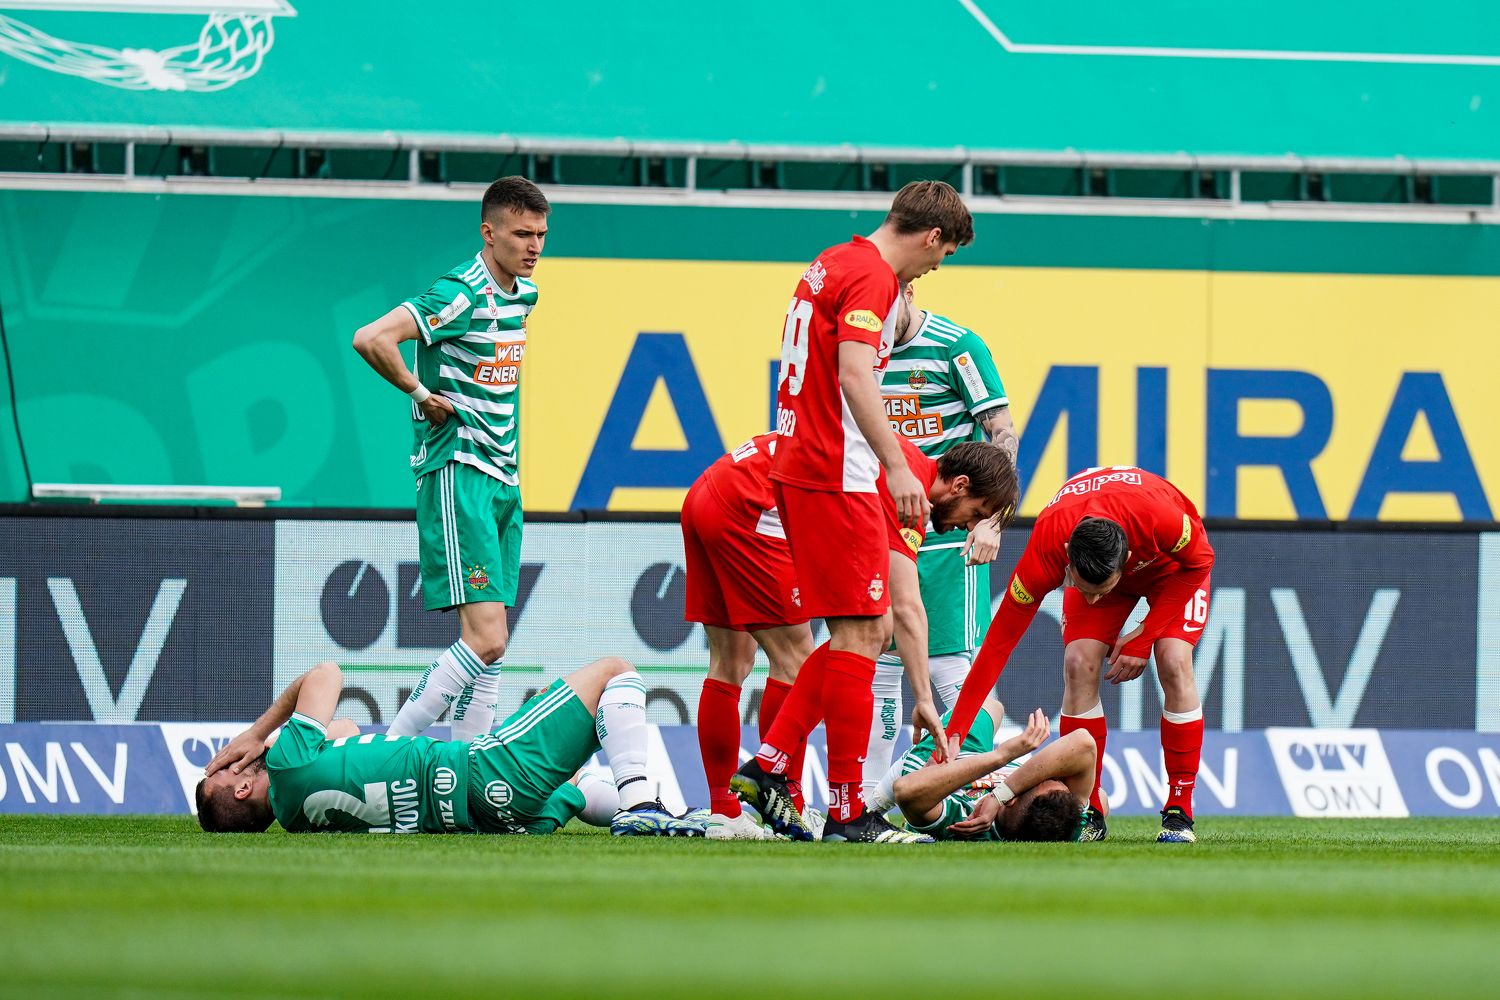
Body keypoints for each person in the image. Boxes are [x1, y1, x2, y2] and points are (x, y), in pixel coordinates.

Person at [732, 180, 976, 844]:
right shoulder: (871, 276)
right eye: (944, 255)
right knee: (864, 633)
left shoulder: (833, 260)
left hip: (806, 463)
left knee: (858, 634)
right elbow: (854, 374)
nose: (935, 268)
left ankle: (773, 765)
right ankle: (845, 812)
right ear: (932, 237)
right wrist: (897, 464)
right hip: (834, 472)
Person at [686, 431, 1017, 840]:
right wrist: (926, 700)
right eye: (975, 512)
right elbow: (908, 608)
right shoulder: (908, 492)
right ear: (960, 484)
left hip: (712, 490)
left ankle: (726, 811)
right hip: (754, 506)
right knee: (826, 647)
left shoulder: (901, 460)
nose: (966, 526)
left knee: (730, 660)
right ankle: (792, 793)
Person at [351, 176, 550, 742]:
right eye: (521, 234)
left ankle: (469, 767)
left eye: (540, 235)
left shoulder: (525, 294)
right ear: (488, 233)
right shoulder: (459, 293)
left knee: (492, 643)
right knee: (487, 639)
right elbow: (372, 338)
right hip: (459, 469)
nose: (533, 246)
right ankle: (390, 749)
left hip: (503, 477)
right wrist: (420, 395)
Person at [944, 466, 1214, 844]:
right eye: (1078, 586)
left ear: (1126, 561)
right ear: (1068, 554)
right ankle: (1091, 809)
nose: (1090, 599)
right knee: (1078, 661)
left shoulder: (1162, 520)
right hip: (1100, 551)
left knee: (1172, 657)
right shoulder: (1046, 551)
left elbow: (1200, 561)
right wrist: (956, 729)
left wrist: (1143, 636)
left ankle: (1180, 808)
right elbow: (996, 648)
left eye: (1099, 589)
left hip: (1170, 569)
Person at [196, 658, 703, 837]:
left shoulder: (292, 814)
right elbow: (327, 674)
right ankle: (640, 807)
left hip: (489, 818)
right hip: (484, 771)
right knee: (615, 673)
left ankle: (669, 816)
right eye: (224, 767)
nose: (232, 754)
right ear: (242, 789)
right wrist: (259, 733)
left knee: (573, 783)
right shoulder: (284, 762)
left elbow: (345, 728)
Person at [866, 284, 1018, 799]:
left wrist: (991, 520)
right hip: (884, 527)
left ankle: (971, 787)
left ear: (908, 290)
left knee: (955, 674)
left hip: (948, 538)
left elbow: (1002, 434)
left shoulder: (958, 348)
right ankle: (863, 801)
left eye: (887, 305)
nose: (879, 319)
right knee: (878, 669)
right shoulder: (863, 350)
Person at [869, 701, 1097, 842]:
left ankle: (871, 806)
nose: (1043, 773)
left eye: (1036, 780)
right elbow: (1084, 743)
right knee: (994, 707)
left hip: (940, 758)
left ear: (1013, 800)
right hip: (979, 755)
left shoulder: (964, 822)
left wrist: (1004, 755)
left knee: (986, 705)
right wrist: (998, 796)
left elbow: (906, 789)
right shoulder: (1066, 824)